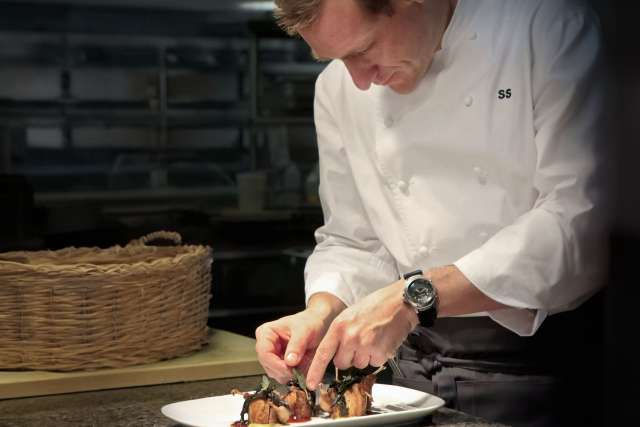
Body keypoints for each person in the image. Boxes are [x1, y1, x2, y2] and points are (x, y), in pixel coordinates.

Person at [255, 1, 610, 426]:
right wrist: (322, 311)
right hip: (404, 379)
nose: (359, 81)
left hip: (532, 373)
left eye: (363, 49)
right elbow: (354, 239)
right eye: (336, 59)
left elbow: (579, 223)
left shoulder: (547, 28)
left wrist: (414, 298)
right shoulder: (337, 89)